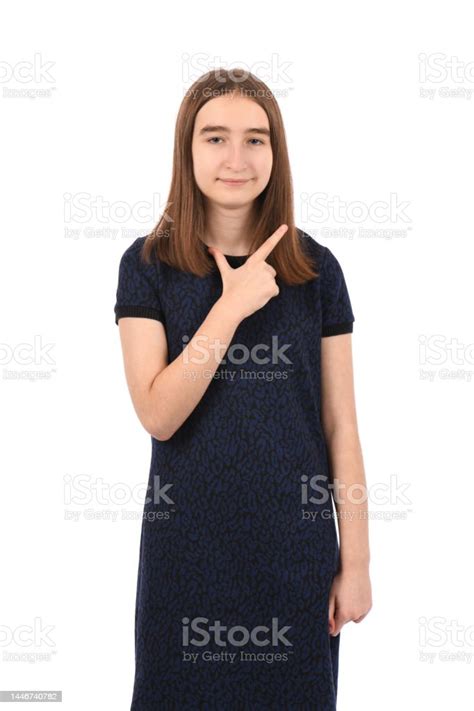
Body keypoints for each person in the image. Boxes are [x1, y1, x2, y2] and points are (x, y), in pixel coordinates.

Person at [114, 67, 372, 710]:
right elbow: (158, 413)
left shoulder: (316, 270)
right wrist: (229, 308)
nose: (237, 158)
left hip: (296, 561)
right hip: (187, 563)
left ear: (276, 154)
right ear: (187, 150)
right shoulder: (147, 266)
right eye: (215, 138)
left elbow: (341, 426)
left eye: (256, 140)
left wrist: (358, 562)